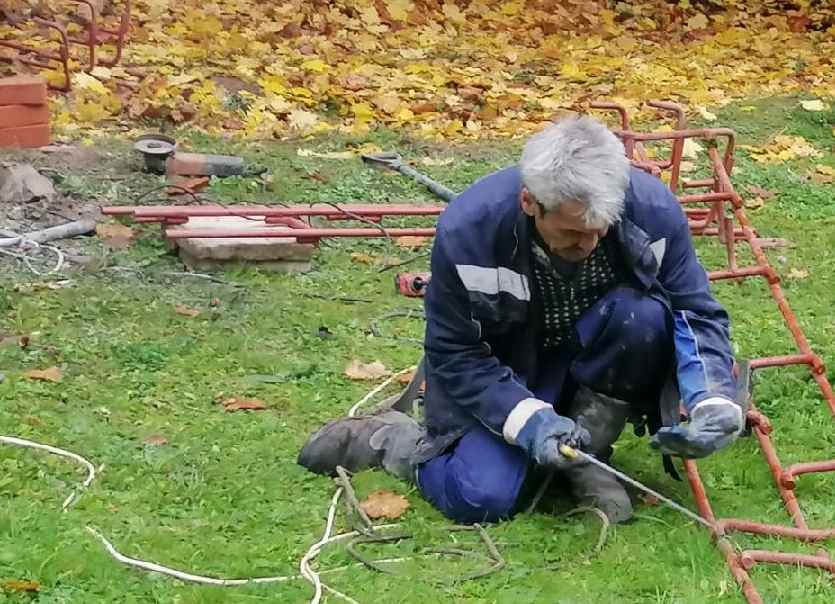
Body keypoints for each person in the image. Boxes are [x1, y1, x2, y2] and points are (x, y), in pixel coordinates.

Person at [298, 116, 746, 525]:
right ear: (530, 202)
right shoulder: (468, 230)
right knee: (481, 497)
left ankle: (586, 457)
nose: (589, 244)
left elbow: (694, 311)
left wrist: (714, 403)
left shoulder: (653, 212)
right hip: (504, 369)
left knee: (645, 315)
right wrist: (529, 421)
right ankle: (392, 442)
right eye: (572, 232)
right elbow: (454, 352)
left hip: (595, 352)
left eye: (600, 229)